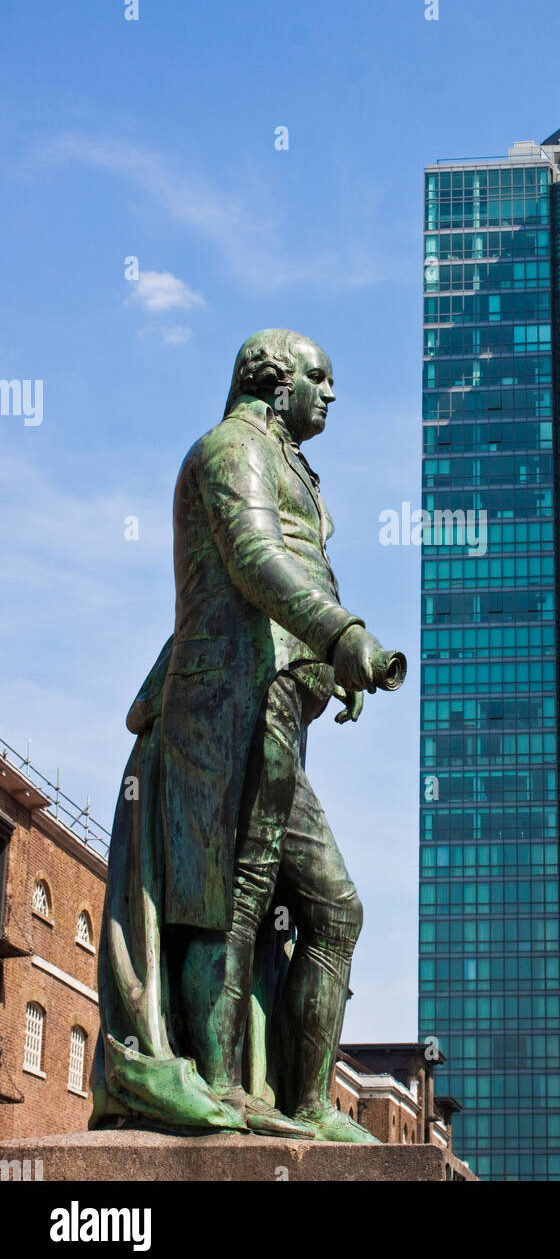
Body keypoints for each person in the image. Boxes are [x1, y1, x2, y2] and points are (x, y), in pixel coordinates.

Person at [90, 329, 405, 1141]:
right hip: (215, 705)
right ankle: (225, 1093)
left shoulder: (286, 461)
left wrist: (325, 666)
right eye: (320, 379)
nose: (331, 394)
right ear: (272, 381)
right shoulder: (231, 449)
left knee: (334, 912)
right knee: (222, 908)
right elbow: (256, 556)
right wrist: (341, 636)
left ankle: (305, 1105)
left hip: (272, 714)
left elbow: (295, 563)